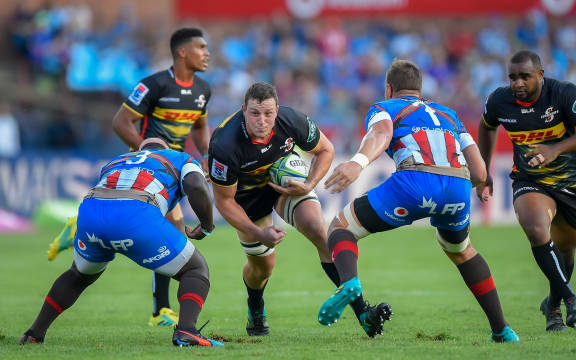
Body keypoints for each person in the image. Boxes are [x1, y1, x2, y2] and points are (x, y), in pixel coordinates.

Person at [318, 59, 519, 343]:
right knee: (462, 250)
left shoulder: (384, 108)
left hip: (415, 182)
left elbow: (381, 134)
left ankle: (349, 283)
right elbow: (480, 171)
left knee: (340, 228)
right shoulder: (449, 114)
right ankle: (503, 330)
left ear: (389, 88)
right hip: (458, 186)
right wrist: (480, 185)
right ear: (419, 89)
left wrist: (357, 162)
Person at [46, 27, 213, 327]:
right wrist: (149, 152)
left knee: (171, 231)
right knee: (173, 227)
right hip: (151, 168)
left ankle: (78, 229)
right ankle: (161, 309)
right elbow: (120, 121)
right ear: (182, 52)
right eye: (201, 47)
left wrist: (208, 155)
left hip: (178, 167)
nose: (207, 53)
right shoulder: (154, 85)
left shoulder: (203, 89)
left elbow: (199, 126)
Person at [208, 82, 390, 337]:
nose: (262, 120)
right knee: (262, 268)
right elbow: (224, 201)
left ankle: (364, 315)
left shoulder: (291, 120)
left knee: (320, 231)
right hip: (246, 200)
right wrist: (258, 233)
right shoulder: (224, 144)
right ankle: (255, 305)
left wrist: (309, 185)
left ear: (277, 110)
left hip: (284, 185)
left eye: (268, 113)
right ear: (243, 110)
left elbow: (326, 149)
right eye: (255, 113)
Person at [21, 138, 223, 347]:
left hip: (91, 213)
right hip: (136, 213)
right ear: (166, 149)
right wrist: (207, 226)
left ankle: (34, 334)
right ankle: (186, 331)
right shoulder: (180, 158)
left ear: (138, 151)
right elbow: (195, 185)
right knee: (195, 269)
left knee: (78, 275)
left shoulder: (118, 160)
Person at [477, 50, 576, 331]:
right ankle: (569, 302)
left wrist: (554, 149)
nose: (518, 83)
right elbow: (486, 126)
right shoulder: (499, 100)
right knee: (536, 229)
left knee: (565, 254)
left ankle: (552, 303)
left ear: (540, 75)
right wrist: (484, 170)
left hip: (571, 184)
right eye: (512, 77)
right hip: (529, 180)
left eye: (525, 76)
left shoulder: (564, 94)